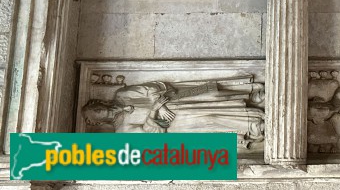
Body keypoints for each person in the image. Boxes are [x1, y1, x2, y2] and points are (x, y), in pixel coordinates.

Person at [81, 77, 265, 149]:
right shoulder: (121, 131)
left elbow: (153, 87)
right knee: (211, 118)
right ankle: (253, 124)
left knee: (213, 95)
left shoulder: (122, 95)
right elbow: (148, 136)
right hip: (176, 124)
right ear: (97, 123)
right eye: (94, 114)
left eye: (95, 106)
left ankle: (252, 95)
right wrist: (153, 112)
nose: (99, 110)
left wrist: (159, 104)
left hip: (173, 102)